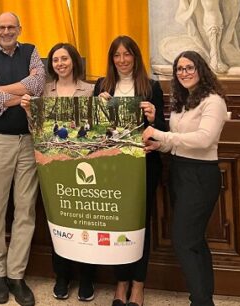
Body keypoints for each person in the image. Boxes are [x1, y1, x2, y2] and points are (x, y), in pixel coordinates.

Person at [142, 50, 227, 306]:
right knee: (195, 241)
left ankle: (200, 301)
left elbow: (204, 140)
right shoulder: (183, 102)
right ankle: (203, 300)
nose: (184, 73)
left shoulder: (213, 101)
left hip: (201, 175)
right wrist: (161, 146)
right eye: (180, 69)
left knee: (183, 240)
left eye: (189, 67)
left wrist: (162, 135)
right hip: (179, 171)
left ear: (201, 69)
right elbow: (179, 144)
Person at [0, 12, 45, 306]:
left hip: (28, 141)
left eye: (11, 27)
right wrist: (23, 89)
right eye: (1, 27)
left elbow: (39, 85)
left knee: (25, 209)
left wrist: (4, 91)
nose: (6, 31)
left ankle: (17, 275)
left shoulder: (31, 51)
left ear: (19, 29)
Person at [94, 35, 166, 306]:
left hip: (144, 167)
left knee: (139, 226)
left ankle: (138, 284)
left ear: (136, 57)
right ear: (111, 59)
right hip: (112, 167)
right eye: (117, 55)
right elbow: (94, 134)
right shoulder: (102, 86)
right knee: (117, 227)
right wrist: (97, 111)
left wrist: (153, 117)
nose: (122, 60)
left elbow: (162, 130)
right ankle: (120, 283)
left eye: (127, 54)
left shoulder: (151, 87)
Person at [21, 42, 94, 301]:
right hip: (53, 164)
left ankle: (87, 279)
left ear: (74, 60)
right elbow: (36, 130)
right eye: (55, 60)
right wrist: (30, 111)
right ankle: (61, 276)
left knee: (83, 220)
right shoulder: (44, 91)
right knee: (58, 220)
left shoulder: (91, 90)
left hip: (81, 163)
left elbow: (93, 128)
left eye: (64, 59)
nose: (60, 64)